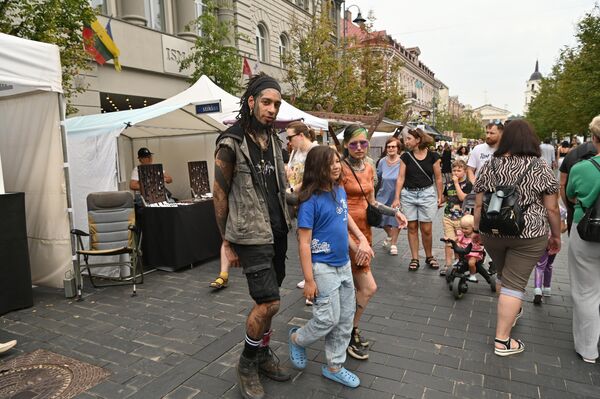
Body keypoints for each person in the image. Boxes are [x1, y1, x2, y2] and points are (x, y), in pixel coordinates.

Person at [212, 73, 292, 399]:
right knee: (268, 302)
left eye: (277, 104)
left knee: (270, 304)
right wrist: (226, 240)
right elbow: (219, 194)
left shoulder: (274, 140)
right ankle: (247, 361)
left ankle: (261, 353)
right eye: (267, 102)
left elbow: (281, 187)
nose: (272, 109)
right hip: (250, 234)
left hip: (278, 231)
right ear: (251, 102)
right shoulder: (230, 141)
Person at [473, 119, 561, 357]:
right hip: (529, 234)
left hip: (492, 231)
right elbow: (552, 208)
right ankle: (502, 341)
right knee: (515, 283)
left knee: (504, 274)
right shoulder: (539, 166)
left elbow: (479, 203)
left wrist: (476, 231)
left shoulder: (490, 164)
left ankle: (513, 309)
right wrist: (556, 236)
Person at [288, 146, 373, 388]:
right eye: (330, 162)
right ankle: (297, 339)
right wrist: (309, 280)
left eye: (338, 161)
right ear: (317, 167)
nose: (336, 166)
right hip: (322, 268)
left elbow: (342, 220)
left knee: (345, 318)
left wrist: (359, 245)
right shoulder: (309, 201)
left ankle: (334, 366)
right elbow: (304, 243)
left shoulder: (339, 190)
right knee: (327, 319)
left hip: (343, 264)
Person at [341, 124, 408, 360]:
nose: (359, 148)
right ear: (346, 145)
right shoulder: (339, 169)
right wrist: (356, 241)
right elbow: (338, 209)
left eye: (363, 143)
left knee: (358, 288)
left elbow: (372, 202)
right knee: (367, 287)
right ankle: (347, 332)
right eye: (353, 144)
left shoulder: (369, 167)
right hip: (346, 235)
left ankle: (348, 331)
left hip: (365, 234)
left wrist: (394, 212)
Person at [566, 115, 600, 364]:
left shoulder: (582, 168)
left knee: (586, 291)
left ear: (594, 138)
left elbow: (570, 195)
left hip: (587, 230)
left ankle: (588, 349)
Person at [392, 128, 443, 271]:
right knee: (412, 227)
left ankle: (429, 256)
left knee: (426, 229)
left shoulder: (433, 156)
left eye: (409, 138)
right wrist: (396, 197)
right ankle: (415, 258)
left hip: (427, 194)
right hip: (408, 195)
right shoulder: (405, 157)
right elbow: (400, 178)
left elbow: (438, 178)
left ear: (418, 140)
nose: (406, 141)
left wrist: (440, 196)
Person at [285, 121, 319, 300]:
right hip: (298, 202)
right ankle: (308, 276)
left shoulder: (315, 151)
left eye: (290, 137)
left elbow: (312, 179)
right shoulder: (295, 152)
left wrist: (291, 190)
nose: (288, 141)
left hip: (310, 200)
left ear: (300, 135)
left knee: (311, 240)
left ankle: (313, 282)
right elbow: (293, 173)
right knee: (302, 238)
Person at [440, 160, 472, 276]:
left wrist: (457, 183)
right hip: (448, 216)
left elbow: (463, 198)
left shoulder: (468, 185)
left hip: (462, 219)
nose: (456, 172)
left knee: (459, 243)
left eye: (459, 170)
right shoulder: (448, 183)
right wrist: (439, 201)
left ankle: (460, 264)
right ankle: (448, 265)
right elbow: (445, 197)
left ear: (464, 171)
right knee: (449, 241)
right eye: (454, 170)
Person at [559, 139, 597, 233]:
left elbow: (562, 185)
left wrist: (569, 207)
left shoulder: (571, 156)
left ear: (593, 136)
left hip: (579, 215)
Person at [376, 137, 403, 256]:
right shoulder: (382, 161)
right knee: (380, 218)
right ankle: (390, 235)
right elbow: (377, 177)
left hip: (397, 194)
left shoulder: (402, 161)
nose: (391, 149)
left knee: (397, 219)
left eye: (393, 146)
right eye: (389, 146)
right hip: (383, 194)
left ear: (398, 148)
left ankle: (394, 244)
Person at [453, 215, 484, 282]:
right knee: (456, 246)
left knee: (471, 263)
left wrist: (480, 243)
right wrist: (452, 240)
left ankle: (472, 275)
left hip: (474, 254)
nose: (463, 230)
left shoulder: (477, 236)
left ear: (473, 228)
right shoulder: (462, 234)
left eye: (466, 228)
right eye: (462, 228)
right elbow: (456, 239)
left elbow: (481, 244)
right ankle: (457, 259)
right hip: (463, 252)